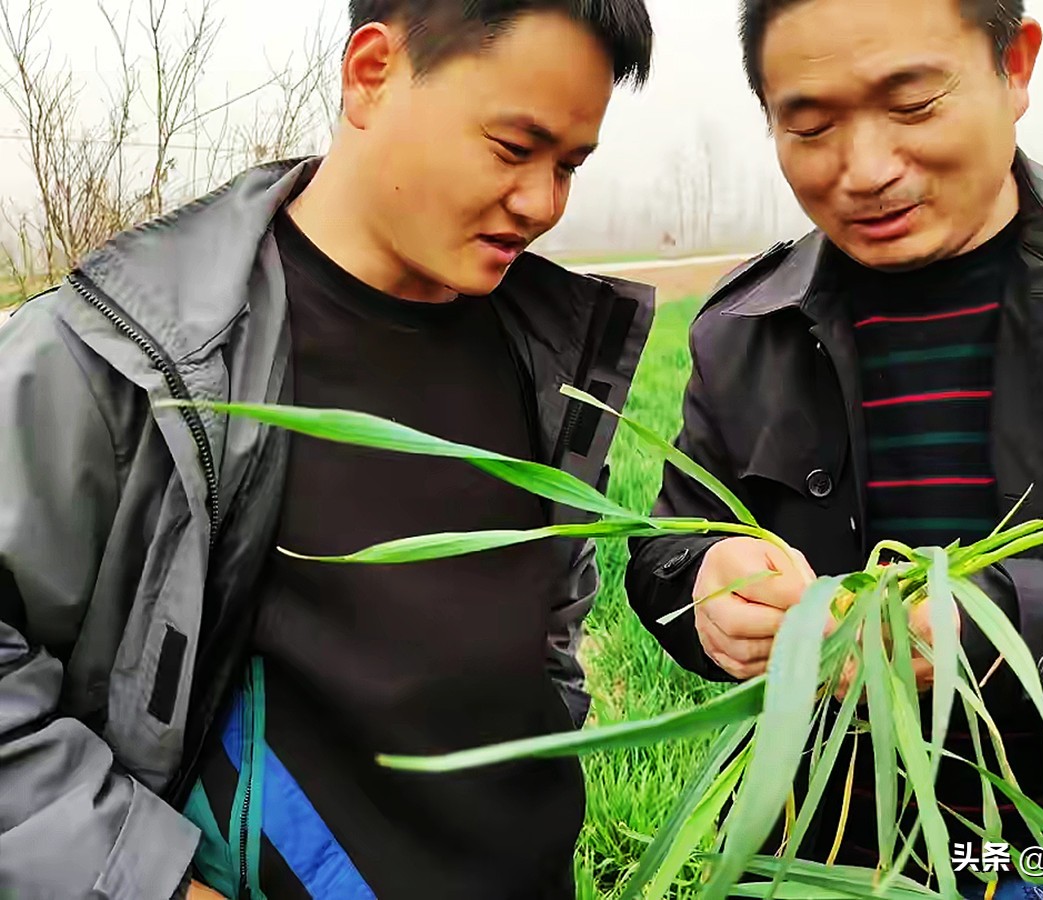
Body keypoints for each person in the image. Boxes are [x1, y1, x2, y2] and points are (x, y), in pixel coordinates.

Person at [0, 1, 655, 898]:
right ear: (372, 73)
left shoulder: (548, 355)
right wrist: (145, 881)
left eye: (570, 165)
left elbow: (547, 628)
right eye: (512, 148)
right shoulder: (130, 354)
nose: (543, 203)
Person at [625, 0, 1043, 898]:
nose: (866, 169)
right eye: (809, 124)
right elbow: (668, 545)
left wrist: (1002, 628)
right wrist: (705, 586)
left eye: (914, 102)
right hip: (836, 857)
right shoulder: (745, 332)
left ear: (1015, 66)